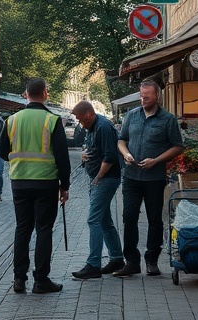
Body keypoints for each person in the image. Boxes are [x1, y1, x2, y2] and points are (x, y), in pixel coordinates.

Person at [0, 77, 71, 294]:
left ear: (25, 94)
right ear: (45, 93)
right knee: (44, 229)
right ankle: (41, 280)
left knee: (22, 228)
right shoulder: (52, 120)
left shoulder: (12, 120)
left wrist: (18, 161)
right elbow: (62, 157)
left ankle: (19, 278)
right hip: (46, 182)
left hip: (19, 181)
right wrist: (64, 186)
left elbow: (2, 151)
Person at [114, 79, 184, 277]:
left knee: (154, 220)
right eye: (141, 96)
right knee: (129, 217)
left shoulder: (167, 119)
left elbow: (178, 146)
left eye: (147, 96)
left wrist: (157, 160)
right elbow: (121, 140)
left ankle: (152, 260)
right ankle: (132, 261)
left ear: (157, 97)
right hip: (131, 177)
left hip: (154, 178)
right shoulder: (131, 115)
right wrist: (125, 153)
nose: (143, 99)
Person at [70, 100, 124, 279]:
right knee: (104, 220)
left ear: (88, 114)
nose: (79, 123)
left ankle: (93, 263)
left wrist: (98, 177)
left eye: (80, 119)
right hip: (100, 179)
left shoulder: (103, 127)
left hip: (106, 179)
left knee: (93, 219)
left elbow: (110, 156)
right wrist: (85, 154)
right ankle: (116, 258)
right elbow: (96, 150)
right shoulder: (93, 127)